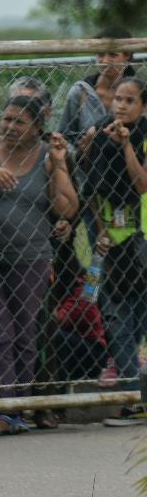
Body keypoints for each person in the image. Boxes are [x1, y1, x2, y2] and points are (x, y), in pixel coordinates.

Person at [0, 96, 78, 437]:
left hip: (31, 257)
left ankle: (17, 409)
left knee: (26, 332)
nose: (9, 127)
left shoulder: (46, 156)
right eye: (6, 119)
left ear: (37, 128)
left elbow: (67, 208)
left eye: (19, 122)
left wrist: (58, 164)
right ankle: (3, 408)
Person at [81, 78, 147, 426]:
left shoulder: (142, 136)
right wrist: (100, 228)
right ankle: (131, 395)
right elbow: (90, 186)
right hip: (112, 240)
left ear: (143, 106)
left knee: (138, 317)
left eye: (130, 100)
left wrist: (126, 147)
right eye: (118, 99)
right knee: (116, 317)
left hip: (142, 240)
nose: (120, 106)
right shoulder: (101, 132)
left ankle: (135, 392)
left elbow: (141, 183)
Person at [59, 30, 135, 144]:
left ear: (127, 56)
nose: (105, 61)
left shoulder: (139, 93)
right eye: (100, 54)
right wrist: (80, 149)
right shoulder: (81, 92)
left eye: (112, 54)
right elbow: (64, 136)